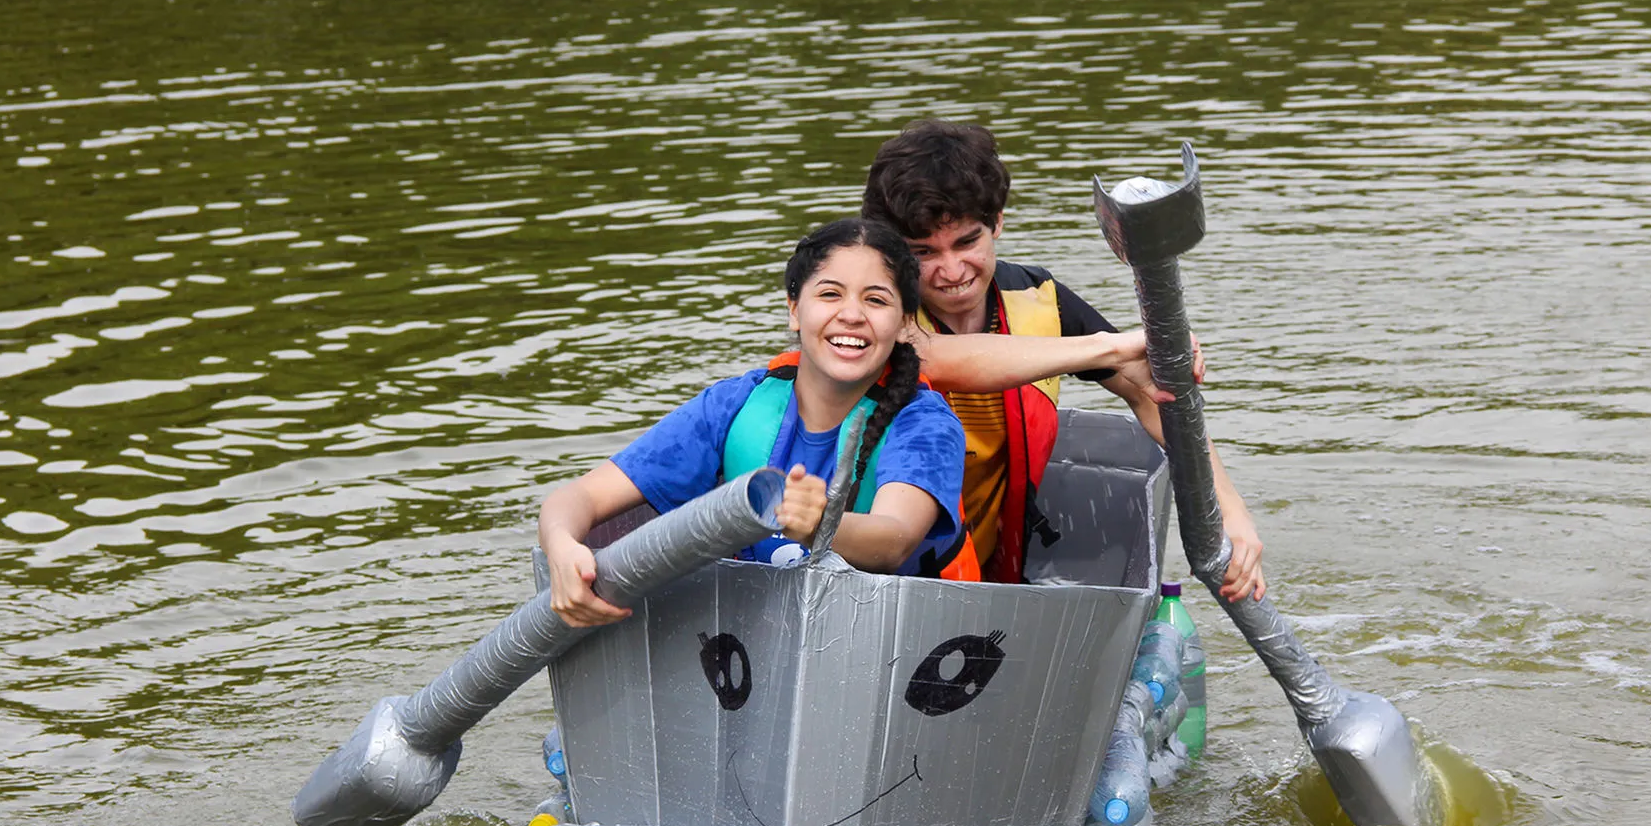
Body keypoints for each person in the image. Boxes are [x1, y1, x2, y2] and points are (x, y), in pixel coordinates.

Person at [861, 119, 1266, 600]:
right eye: (923, 253)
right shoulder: (873, 303)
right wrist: (1110, 345)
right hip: (874, 576)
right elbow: (932, 358)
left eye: (967, 242)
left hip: (983, 575)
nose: (951, 271)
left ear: (998, 223)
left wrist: (1231, 513)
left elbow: (1155, 393)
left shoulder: (1036, 296)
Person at [539, 217, 971, 628]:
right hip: (761, 640)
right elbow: (578, 498)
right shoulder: (733, 404)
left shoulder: (926, 424)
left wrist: (820, 522)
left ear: (903, 324)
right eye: (829, 294)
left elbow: (894, 541)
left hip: (901, 649)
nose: (852, 315)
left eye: (876, 300)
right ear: (794, 310)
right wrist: (560, 546)